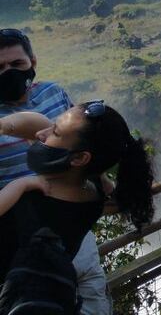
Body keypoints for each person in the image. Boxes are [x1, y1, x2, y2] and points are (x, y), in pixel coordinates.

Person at [0, 29, 112, 314]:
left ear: (33, 62)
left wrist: (106, 184)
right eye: (0, 68)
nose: (8, 73)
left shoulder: (55, 93)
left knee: (93, 302)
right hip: (23, 248)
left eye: (17, 65)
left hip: (77, 235)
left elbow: (85, 146)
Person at [0, 101, 155, 280]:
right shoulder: (94, 191)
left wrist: (19, 185)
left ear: (80, 158)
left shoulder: (32, 203)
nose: (40, 134)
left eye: (55, 132)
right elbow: (39, 124)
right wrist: (5, 126)